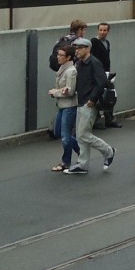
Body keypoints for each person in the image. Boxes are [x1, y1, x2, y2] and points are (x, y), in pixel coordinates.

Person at [63, 38, 115, 175]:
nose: (77, 51)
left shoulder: (94, 63)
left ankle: (108, 151)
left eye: (80, 48)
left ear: (88, 49)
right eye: (76, 48)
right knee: (81, 135)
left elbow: (102, 81)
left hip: (89, 103)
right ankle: (83, 164)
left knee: (83, 134)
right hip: (81, 101)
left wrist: (93, 98)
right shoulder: (80, 63)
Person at [47, 19, 87, 138]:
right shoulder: (77, 42)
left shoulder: (63, 39)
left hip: (60, 72)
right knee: (71, 101)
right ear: (80, 30)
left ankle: (55, 127)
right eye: (84, 30)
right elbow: (80, 59)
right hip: (72, 73)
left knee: (63, 102)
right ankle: (71, 132)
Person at [48, 44, 79, 172]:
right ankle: (82, 152)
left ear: (68, 57)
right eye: (58, 54)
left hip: (69, 106)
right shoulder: (62, 68)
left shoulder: (71, 71)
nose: (58, 57)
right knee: (59, 132)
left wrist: (55, 92)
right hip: (62, 105)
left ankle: (66, 162)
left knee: (65, 136)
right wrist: (57, 92)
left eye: (61, 55)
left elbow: (70, 91)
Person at [90, 21, 121, 128]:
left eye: (104, 30)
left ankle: (109, 118)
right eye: (100, 30)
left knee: (109, 95)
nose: (102, 32)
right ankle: (98, 120)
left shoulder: (107, 42)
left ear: (108, 31)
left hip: (106, 72)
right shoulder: (94, 42)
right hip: (98, 73)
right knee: (98, 96)